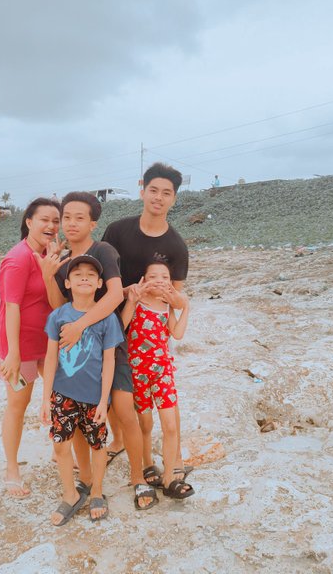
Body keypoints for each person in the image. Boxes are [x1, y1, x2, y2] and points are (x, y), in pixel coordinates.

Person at [37, 191, 159, 511]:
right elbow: (60, 307)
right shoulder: (63, 263)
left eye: (79, 217)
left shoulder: (103, 250)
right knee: (79, 418)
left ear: (93, 223)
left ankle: (138, 477)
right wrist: (49, 277)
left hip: (109, 346)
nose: (71, 223)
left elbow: (115, 294)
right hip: (77, 357)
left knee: (124, 410)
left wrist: (81, 325)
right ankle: (88, 479)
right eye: (66, 217)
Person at [101, 162, 191, 488]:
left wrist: (180, 304)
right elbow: (99, 274)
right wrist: (127, 295)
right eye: (153, 190)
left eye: (166, 193)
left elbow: (174, 299)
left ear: (174, 199)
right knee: (117, 393)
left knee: (162, 404)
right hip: (114, 320)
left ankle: (174, 462)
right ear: (142, 190)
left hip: (150, 336)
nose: (158, 197)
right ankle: (122, 442)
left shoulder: (177, 246)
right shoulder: (117, 231)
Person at [41, 255, 124, 525]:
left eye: (91, 274)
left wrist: (104, 400)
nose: (84, 277)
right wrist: (45, 398)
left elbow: (109, 361)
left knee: (97, 445)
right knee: (60, 445)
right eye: (77, 274)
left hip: (94, 397)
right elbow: (51, 358)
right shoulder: (58, 316)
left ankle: (97, 491)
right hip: (62, 394)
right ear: (67, 283)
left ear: (100, 283)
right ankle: (70, 494)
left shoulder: (107, 319)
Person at [0, 197, 61, 498]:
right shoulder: (17, 258)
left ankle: (60, 453)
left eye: (55, 221)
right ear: (29, 222)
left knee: (60, 396)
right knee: (18, 405)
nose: (51, 226)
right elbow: (11, 307)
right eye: (44, 219)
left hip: (47, 342)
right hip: (17, 346)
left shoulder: (50, 255)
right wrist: (14, 354)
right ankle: (12, 469)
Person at [121, 261, 194, 499]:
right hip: (138, 372)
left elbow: (177, 333)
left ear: (170, 283)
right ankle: (147, 463)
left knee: (170, 425)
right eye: (153, 276)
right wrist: (131, 300)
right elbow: (122, 326)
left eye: (164, 277)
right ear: (143, 280)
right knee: (145, 424)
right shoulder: (137, 302)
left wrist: (185, 307)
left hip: (162, 371)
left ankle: (169, 476)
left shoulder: (166, 306)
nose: (159, 280)